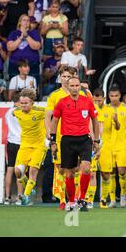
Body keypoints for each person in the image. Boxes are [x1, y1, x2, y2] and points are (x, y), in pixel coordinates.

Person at [49, 77, 100, 211]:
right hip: (67, 140)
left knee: (87, 168)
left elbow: (95, 120)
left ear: (80, 87)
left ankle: (82, 199)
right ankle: (71, 202)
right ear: (68, 86)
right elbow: (54, 121)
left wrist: (96, 140)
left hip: (84, 139)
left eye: (77, 85)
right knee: (69, 173)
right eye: (72, 85)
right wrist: (53, 141)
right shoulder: (61, 102)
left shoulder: (87, 101)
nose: (74, 88)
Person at [44, 65, 80, 210]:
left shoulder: (82, 93)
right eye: (63, 76)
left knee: (76, 168)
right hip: (60, 136)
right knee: (60, 168)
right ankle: (62, 200)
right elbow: (48, 116)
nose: (65, 79)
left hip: (78, 135)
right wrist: (49, 133)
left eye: (68, 76)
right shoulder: (54, 95)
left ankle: (76, 198)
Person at [12, 89, 46, 205]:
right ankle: (29, 188)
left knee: (33, 171)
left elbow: (53, 114)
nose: (23, 105)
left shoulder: (40, 111)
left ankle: (26, 197)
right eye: (21, 103)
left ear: (32, 103)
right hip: (24, 146)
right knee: (17, 171)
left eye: (26, 103)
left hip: (39, 146)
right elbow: (13, 112)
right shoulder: (16, 112)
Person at [105, 85, 126, 208]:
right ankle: (112, 200)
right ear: (108, 96)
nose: (114, 98)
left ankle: (123, 195)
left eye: (116, 95)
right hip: (108, 146)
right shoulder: (105, 109)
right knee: (111, 173)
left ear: (120, 96)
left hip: (122, 146)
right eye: (112, 96)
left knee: (122, 172)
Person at [5, 14, 42, 82]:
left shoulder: (34, 33)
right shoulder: (13, 33)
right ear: (20, 22)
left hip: (32, 63)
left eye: (28, 20)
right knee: (14, 87)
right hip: (15, 63)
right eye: (24, 20)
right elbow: (9, 48)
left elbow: (37, 47)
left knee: (32, 89)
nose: (26, 22)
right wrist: (21, 38)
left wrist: (26, 36)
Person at [4, 93, 23, 205]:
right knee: (20, 170)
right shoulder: (22, 112)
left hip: (11, 142)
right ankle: (19, 198)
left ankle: (7, 197)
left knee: (10, 169)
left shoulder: (7, 113)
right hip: (21, 142)